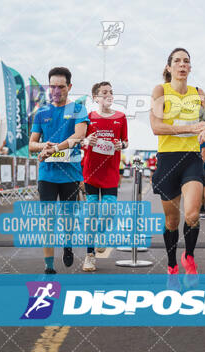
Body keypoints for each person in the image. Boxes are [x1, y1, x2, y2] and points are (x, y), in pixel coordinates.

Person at [149, 48, 205, 277]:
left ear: (190, 68)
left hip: (191, 159)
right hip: (168, 160)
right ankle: (172, 263)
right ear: (169, 67)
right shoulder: (160, 90)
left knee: (192, 215)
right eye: (177, 61)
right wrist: (193, 127)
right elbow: (156, 127)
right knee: (172, 220)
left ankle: (189, 257)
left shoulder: (198, 92)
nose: (182, 65)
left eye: (186, 61)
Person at [29, 67, 89, 275]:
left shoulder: (78, 109)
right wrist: (44, 146)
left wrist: (55, 148)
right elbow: (32, 144)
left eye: (60, 87)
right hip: (47, 174)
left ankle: (68, 245)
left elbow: (78, 137)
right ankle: (49, 266)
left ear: (69, 87)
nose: (56, 91)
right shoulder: (42, 112)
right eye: (52, 86)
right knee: (48, 221)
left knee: (68, 220)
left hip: (70, 174)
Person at [81, 81, 128, 272]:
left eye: (110, 92)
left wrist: (120, 146)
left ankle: (101, 233)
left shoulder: (121, 117)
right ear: (95, 97)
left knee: (109, 211)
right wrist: (86, 140)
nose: (108, 95)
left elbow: (125, 142)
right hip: (91, 170)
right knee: (91, 214)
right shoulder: (88, 117)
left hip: (110, 171)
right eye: (104, 93)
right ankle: (89, 256)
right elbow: (80, 140)